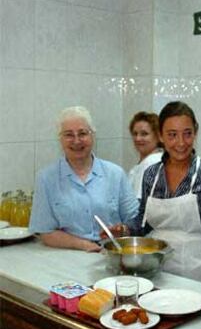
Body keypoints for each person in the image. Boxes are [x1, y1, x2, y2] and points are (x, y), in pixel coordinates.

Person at [131, 101, 201, 289]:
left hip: (199, 277)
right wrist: (124, 231)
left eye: (187, 134)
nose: (181, 143)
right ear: (161, 137)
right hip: (157, 275)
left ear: (195, 132)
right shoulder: (151, 175)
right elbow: (143, 223)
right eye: (172, 135)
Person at [29, 106, 138, 252]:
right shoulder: (46, 178)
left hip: (112, 254)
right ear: (60, 139)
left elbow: (135, 220)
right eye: (69, 135)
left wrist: (123, 230)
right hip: (68, 255)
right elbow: (45, 232)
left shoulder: (115, 174)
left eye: (82, 133)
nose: (76, 141)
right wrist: (84, 245)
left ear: (93, 136)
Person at [128, 112, 163, 200]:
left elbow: (138, 203)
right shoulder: (149, 161)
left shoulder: (151, 162)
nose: (138, 138)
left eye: (144, 134)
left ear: (158, 136)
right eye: (135, 134)